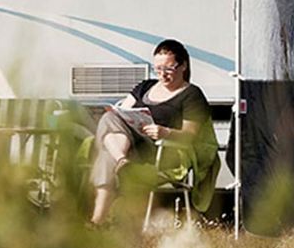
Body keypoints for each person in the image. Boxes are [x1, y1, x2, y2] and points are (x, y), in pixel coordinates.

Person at [90, 39, 216, 225]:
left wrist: (165, 132)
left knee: (106, 156)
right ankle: (122, 162)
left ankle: (97, 222)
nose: (162, 74)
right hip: (130, 145)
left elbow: (190, 135)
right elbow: (121, 113)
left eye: (168, 69)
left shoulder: (191, 95)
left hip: (161, 152)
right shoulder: (145, 87)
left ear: (183, 66)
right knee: (109, 119)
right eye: (158, 69)